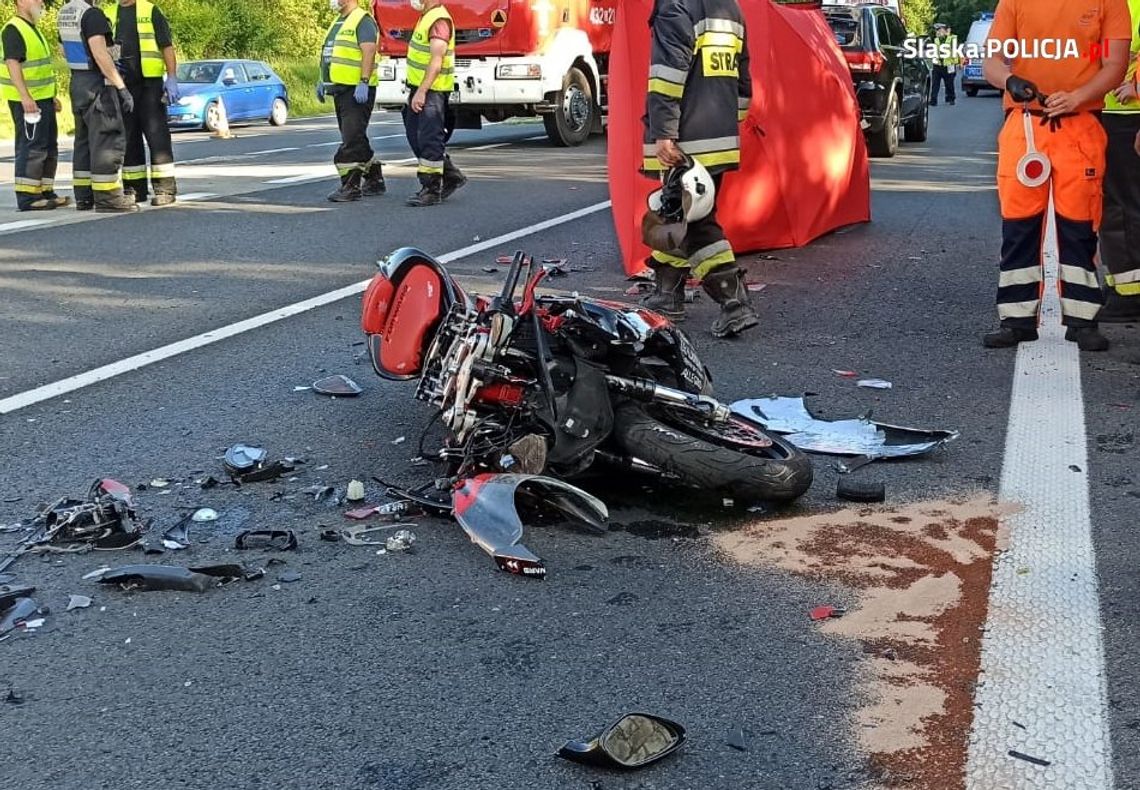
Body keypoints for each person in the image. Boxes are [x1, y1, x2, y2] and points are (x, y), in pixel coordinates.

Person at [981, 0, 1132, 351]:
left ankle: (1082, 321)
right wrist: (1010, 80)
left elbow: (1115, 64)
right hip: (1025, 125)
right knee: (1018, 226)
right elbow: (992, 61)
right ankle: (1017, 321)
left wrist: (1077, 97)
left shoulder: (1109, 2)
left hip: (1080, 127)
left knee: (1079, 227)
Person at [639, 0, 758, 338]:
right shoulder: (730, 7)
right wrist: (728, 123)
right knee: (676, 214)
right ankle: (668, 293)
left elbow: (668, 74)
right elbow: (743, 78)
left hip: (684, 138)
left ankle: (735, 303)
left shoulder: (676, 6)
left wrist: (664, 132)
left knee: (698, 224)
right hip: (717, 132)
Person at [58, 0, 137, 212]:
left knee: (84, 142)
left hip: (78, 82)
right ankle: (108, 198)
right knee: (106, 140)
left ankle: (84, 197)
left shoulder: (66, 13)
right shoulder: (92, 15)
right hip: (97, 85)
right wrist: (121, 87)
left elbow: (63, 51)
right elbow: (100, 55)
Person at [106, 0, 178, 206]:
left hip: (150, 85)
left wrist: (171, 77)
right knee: (129, 138)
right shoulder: (109, 14)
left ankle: (165, 189)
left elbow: (166, 46)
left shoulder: (150, 10)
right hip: (123, 85)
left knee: (157, 138)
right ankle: (134, 189)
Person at [1, 0, 68, 211]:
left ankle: (45, 191)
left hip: (42, 98)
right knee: (32, 147)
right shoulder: (14, 28)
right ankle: (27, 197)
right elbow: (13, 64)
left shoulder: (32, 28)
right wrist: (25, 97)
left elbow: (39, 69)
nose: (40, 1)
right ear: (20, 2)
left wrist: (51, 97)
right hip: (28, 101)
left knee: (48, 146)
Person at [1098, 0, 1140, 322]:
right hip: (1105, 110)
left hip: (1129, 114)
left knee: (1125, 207)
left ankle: (1131, 294)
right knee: (1111, 206)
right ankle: (1120, 285)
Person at [402, 0, 466, 207]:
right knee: (416, 137)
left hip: (432, 91)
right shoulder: (426, 17)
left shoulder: (439, 20)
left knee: (429, 139)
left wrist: (422, 91)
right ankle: (450, 174)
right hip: (419, 88)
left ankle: (431, 189)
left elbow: (436, 62)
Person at [318, 0, 383, 202]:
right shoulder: (339, 21)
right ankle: (374, 177)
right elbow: (330, 55)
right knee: (355, 136)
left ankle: (351, 185)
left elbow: (369, 51)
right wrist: (322, 81)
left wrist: (363, 81)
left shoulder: (362, 20)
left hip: (356, 91)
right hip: (340, 89)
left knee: (351, 138)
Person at [930, 22, 960, 106]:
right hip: (937, 64)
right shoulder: (936, 40)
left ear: (945, 30)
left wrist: (956, 63)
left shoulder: (952, 39)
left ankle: (951, 98)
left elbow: (955, 51)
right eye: (937, 30)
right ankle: (933, 100)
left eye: (939, 30)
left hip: (949, 65)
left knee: (949, 83)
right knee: (935, 84)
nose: (938, 32)